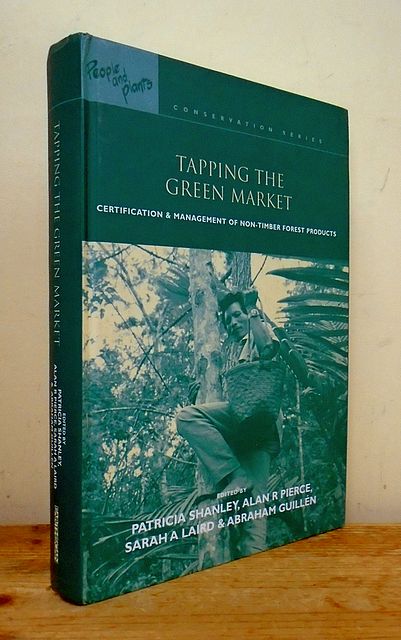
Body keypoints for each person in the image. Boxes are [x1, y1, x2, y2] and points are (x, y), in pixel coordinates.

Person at [176, 288, 282, 557]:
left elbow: (268, 349)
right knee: (253, 520)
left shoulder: (259, 331)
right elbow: (232, 401)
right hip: (251, 437)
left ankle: (235, 475)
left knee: (187, 417)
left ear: (247, 313)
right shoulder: (233, 355)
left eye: (237, 315)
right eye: (228, 320)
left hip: (259, 424)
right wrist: (200, 396)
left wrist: (254, 311)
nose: (233, 322)